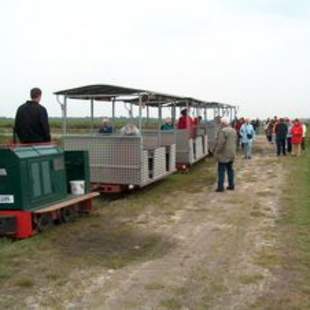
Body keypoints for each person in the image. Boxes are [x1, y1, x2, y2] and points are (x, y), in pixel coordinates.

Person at [213, 117, 237, 192]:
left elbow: (220, 143)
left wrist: (216, 152)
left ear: (223, 123)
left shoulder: (223, 131)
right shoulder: (233, 130)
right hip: (232, 153)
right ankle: (231, 185)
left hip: (223, 154)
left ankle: (220, 187)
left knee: (221, 171)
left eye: (220, 123)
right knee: (230, 170)